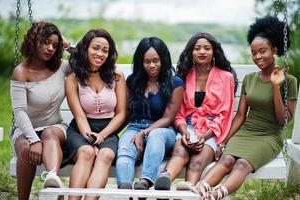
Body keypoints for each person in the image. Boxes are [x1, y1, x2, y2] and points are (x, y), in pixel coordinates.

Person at [194, 16, 298, 200]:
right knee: (226, 160)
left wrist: (275, 87)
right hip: (246, 132)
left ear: (274, 50)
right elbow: (240, 116)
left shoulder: (289, 80)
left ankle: (217, 195)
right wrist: (224, 141)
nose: (257, 57)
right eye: (254, 52)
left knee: (241, 164)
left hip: (269, 136)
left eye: (262, 51)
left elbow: (284, 121)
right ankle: (199, 189)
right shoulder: (250, 79)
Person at [154, 32, 238, 191]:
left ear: (214, 52)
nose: (202, 52)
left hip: (211, 130)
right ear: (191, 52)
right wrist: (184, 131)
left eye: (207, 48)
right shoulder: (184, 76)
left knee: (197, 162)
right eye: (197, 48)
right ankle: (163, 182)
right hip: (188, 126)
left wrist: (204, 137)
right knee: (180, 152)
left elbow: (224, 114)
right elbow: (178, 111)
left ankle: (188, 192)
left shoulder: (226, 77)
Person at [63, 28, 126, 200]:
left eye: (105, 50)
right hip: (81, 130)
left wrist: (102, 136)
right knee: (87, 152)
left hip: (108, 131)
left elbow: (121, 114)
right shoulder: (73, 79)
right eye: (96, 48)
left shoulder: (117, 76)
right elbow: (79, 115)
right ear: (85, 49)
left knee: (105, 155)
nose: (100, 54)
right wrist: (90, 137)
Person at [10, 21, 70, 200]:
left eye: (54, 44)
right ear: (34, 40)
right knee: (27, 149)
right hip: (25, 128)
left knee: (50, 133)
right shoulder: (21, 72)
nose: (50, 48)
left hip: (55, 126)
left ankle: (53, 180)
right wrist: (33, 139)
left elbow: (85, 60)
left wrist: (67, 46)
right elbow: (19, 111)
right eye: (45, 42)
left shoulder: (61, 66)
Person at [115, 37, 184, 190]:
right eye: (147, 61)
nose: (151, 65)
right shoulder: (133, 81)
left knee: (155, 135)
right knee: (125, 148)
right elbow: (126, 113)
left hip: (163, 131)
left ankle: (145, 182)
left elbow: (168, 118)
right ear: (141, 62)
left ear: (163, 60)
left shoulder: (175, 83)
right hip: (134, 127)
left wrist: (144, 133)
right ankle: (125, 187)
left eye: (156, 60)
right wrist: (109, 134)